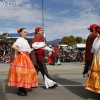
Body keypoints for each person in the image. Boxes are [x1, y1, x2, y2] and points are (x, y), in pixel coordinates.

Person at [7, 28, 38, 96]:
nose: (26, 33)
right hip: (22, 58)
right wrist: (20, 51)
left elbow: (28, 50)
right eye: (24, 32)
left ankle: (22, 88)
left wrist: (35, 48)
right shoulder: (19, 40)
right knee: (22, 73)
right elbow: (14, 46)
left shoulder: (25, 40)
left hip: (26, 57)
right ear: (20, 33)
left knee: (26, 73)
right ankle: (20, 90)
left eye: (26, 32)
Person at [85, 24, 100, 93]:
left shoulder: (91, 36)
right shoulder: (96, 36)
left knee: (96, 74)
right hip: (96, 58)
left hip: (94, 58)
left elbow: (93, 49)